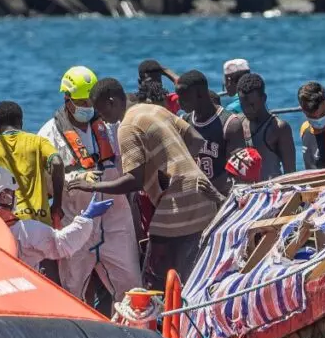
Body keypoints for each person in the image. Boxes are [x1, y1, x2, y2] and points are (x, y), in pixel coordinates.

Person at [69, 78, 225, 291]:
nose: (101, 117)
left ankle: (152, 323)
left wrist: (93, 187)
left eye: (101, 110)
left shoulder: (127, 127)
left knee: (151, 280)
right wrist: (178, 166)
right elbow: (197, 140)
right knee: (191, 275)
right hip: (203, 196)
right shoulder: (154, 110)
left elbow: (135, 181)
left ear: (112, 102)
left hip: (178, 203)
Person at [38, 66, 142, 304]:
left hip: (115, 219)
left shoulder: (110, 124)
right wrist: (75, 179)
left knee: (131, 285)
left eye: (89, 100)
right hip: (77, 219)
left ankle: (135, 330)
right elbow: (47, 187)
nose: (87, 106)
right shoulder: (48, 135)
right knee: (72, 288)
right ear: (68, 99)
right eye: (81, 101)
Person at [0, 167, 113, 271]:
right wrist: (86, 217)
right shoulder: (26, 231)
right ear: (5, 196)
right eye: (12, 191)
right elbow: (63, 244)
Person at [0, 100, 64, 227]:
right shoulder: (38, 142)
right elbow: (57, 162)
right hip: (40, 221)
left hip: (7, 224)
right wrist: (57, 204)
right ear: (20, 122)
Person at [176, 69, 243, 195]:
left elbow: (237, 173)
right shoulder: (184, 121)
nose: (179, 102)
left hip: (223, 198)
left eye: (183, 97)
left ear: (200, 94)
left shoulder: (229, 124)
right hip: (196, 198)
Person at [232, 73, 296, 181]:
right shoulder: (237, 124)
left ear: (263, 98)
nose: (247, 109)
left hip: (272, 194)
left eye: (252, 104)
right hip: (246, 194)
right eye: (243, 105)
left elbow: (291, 173)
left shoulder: (278, 128)